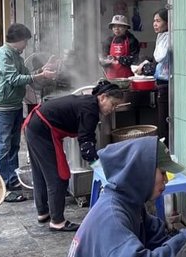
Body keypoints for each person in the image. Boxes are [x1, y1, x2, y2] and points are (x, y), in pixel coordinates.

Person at [24, 80, 123, 232]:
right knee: (58, 176)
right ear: (103, 97)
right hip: (43, 129)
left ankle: (43, 212)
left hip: (35, 125)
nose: (113, 109)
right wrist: (100, 169)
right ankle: (57, 221)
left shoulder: (89, 103)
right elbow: (86, 143)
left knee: (41, 173)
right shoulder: (90, 108)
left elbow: (86, 138)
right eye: (113, 104)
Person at [0, 23, 56, 202]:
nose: (26, 45)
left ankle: (11, 180)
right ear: (18, 40)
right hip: (2, 107)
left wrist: (42, 70)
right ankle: (1, 187)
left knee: (14, 145)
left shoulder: (16, 55)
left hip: (15, 105)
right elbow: (14, 79)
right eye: (25, 41)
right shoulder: (3, 55)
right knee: (2, 146)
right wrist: (40, 76)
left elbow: (27, 76)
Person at [140, 9, 171, 144]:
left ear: (168, 22)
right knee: (163, 119)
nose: (154, 24)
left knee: (163, 120)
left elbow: (162, 59)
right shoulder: (162, 37)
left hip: (166, 84)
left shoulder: (169, 38)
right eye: (154, 21)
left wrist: (146, 68)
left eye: (158, 21)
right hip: (162, 83)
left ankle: (164, 149)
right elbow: (157, 60)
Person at [100, 14, 140, 80]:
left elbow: (135, 60)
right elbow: (104, 57)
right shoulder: (109, 40)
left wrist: (119, 58)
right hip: (111, 77)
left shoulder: (132, 40)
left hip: (127, 78)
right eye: (114, 26)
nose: (116, 28)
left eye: (120, 26)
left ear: (126, 28)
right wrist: (104, 62)